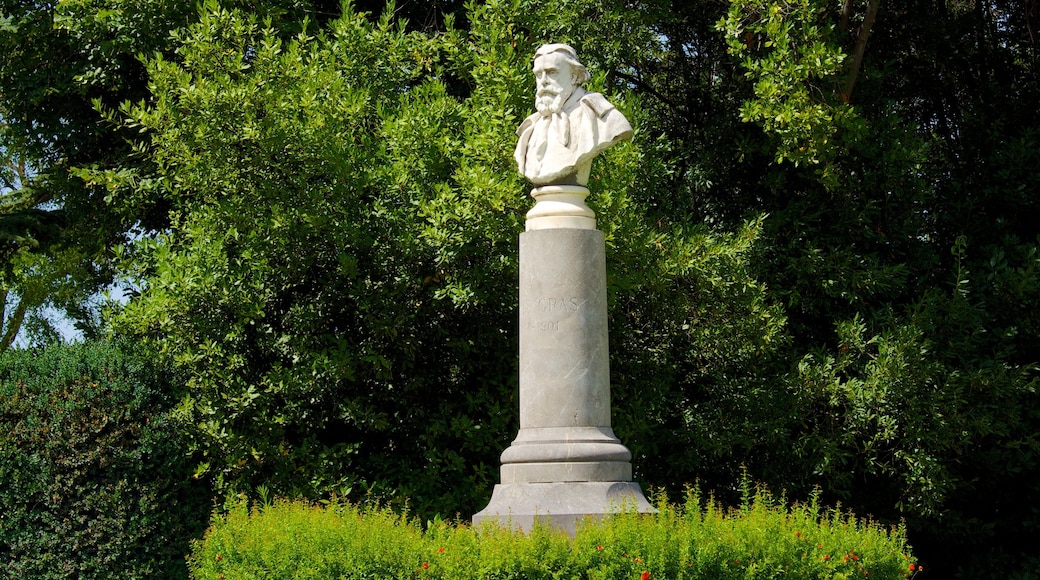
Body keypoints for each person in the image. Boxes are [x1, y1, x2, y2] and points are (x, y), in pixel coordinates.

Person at [514, 43, 633, 186]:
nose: (543, 81)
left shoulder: (600, 114)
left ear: (574, 76)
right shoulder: (532, 125)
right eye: (539, 74)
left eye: (552, 72)